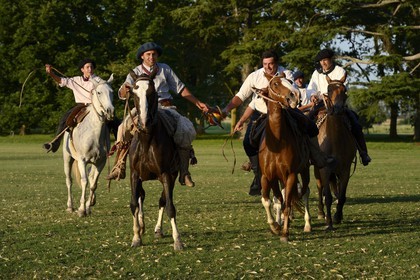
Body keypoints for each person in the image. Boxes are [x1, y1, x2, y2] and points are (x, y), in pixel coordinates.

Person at [222, 50, 330, 196]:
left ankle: (317, 156)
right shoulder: (254, 76)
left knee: (310, 126)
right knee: (247, 142)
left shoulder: (286, 73)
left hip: (285, 113)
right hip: (261, 114)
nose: (268, 67)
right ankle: (257, 174)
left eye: (271, 64)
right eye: (265, 64)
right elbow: (241, 96)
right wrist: (226, 110)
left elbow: (291, 90)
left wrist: (267, 90)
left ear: (276, 63)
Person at [106, 42, 209, 187]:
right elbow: (122, 94)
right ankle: (120, 166)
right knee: (122, 128)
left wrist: (197, 103)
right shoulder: (135, 72)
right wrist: (126, 89)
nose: (151, 57)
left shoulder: (165, 69)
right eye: (148, 54)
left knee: (184, 129)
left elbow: (180, 88)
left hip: (165, 107)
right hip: (142, 108)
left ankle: (184, 172)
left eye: (154, 54)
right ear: (142, 56)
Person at [307, 48, 371, 166]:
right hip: (321, 104)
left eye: (325, 60)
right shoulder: (316, 73)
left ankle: (363, 153)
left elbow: (342, 88)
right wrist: (312, 96)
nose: (323, 63)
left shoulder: (340, 71)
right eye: (321, 61)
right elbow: (311, 88)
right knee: (306, 122)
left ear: (331, 60)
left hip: (338, 105)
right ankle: (307, 154)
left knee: (355, 123)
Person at [43, 59, 110, 153]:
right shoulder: (76, 80)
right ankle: (55, 143)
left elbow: (106, 88)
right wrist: (51, 73)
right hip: (81, 106)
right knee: (64, 119)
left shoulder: (99, 80)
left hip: (95, 107)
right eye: (87, 67)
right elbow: (61, 81)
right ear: (82, 69)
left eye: (91, 67)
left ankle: (120, 145)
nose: (90, 69)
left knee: (115, 122)